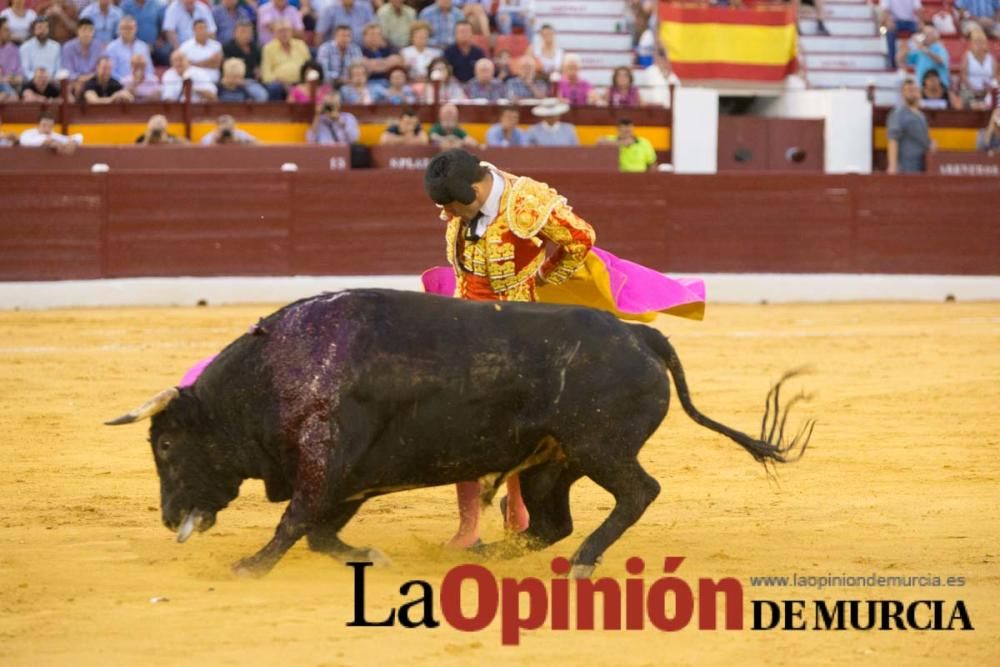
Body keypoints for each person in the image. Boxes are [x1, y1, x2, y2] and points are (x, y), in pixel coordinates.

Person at [421, 148, 595, 548]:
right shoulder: (460, 199)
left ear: (475, 191)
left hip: (518, 330)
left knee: (514, 430)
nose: (449, 216)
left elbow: (581, 238)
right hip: (466, 325)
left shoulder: (528, 202)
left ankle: (517, 513)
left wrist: (547, 279)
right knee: (461, 427)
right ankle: (470, 528)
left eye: (452, 208)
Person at [887, 77, 932, 174]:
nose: (912, 92)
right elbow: (893, 140)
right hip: (906, 167)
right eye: (908, 90)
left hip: (922, 166)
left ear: (919, 93)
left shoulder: (921, 116)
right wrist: (893, 166)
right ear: (902, 93)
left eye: (914, 90)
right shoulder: (898, 114)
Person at [223, 19, 273, 101]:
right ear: (235, 33)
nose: (246, 35)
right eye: (243, 32)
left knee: (262, 96)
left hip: (251, 81)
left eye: (249, 32)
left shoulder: (256, 48)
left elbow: (259, 66)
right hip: (232, 82)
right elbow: (226, 70)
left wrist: (260, 71)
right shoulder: (227, 48)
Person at [260, 18, 310, 91]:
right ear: (274, 33)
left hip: (302, 82)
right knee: (274, 88)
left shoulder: (301, 45)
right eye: (280, 31)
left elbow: (310, 67)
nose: (284, 33)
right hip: (280, 84)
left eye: (287, 30)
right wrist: (279, 81)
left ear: (292, 31)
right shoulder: (268, 48)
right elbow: (266, 75)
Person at [105, 15, 154, 81]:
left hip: (143, 85)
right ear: (119, 29)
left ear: (136, 29)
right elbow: (111, 72)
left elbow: (149, 69)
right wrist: (126, 82)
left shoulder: (143, 46)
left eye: (130, 28)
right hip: (120, 85)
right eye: (124, 28)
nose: (127, 31)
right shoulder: (112, 47)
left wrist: (142, 82)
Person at [60, 18, 103, 93]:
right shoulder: (68, 47)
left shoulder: (98, 46)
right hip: (74, 82)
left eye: (90, 30)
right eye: (84, 30)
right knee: (72, 87)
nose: (87, 33)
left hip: (94, 82)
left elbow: (100, 69)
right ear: (77, 31)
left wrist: (88, 79)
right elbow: (68, 72)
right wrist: (80, 79)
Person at [958, 27, 998, 109]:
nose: (979, 45)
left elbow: (995, 77)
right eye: (976, 42)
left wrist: (989, 88)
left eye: (981, 42)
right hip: (970, 90)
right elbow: (963, 75)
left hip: (988, 90)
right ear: (971, 44)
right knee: (967, 97)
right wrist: (973, 88)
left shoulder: (991, 58)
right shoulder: (967, 56)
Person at [122, 0, 168, 66]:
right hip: (132, 44)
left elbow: (163, 25)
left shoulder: (157, 4)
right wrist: (141, 46)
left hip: (154, 46)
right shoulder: (126, 5)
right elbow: (124, 26)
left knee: (165, 53)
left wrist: (159, 39)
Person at [879, 0, 922, 68]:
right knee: (889, 33)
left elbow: (918, 9)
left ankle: (918, 61)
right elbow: (885, 10)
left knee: (920, 36)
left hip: (910, 21)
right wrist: (888, 21)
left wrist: (920, 23)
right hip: (895, 21)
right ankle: (892, 62)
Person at [178, 17, 222, 82]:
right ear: (193, 30)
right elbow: (184, 65)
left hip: (213, 79)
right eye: (200, 28)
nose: (203, 31)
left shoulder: (216, 46)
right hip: (194, 80)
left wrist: (193, 64)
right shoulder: (185, 46)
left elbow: (216, 65)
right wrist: (209, 61)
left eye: (205, 28)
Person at [0, 18, 22, 87]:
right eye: (6, 30)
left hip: (10, 87)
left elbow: (20, 77)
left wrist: (12, 79)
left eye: (10, 30)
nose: (9, 33)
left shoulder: (15, 50)